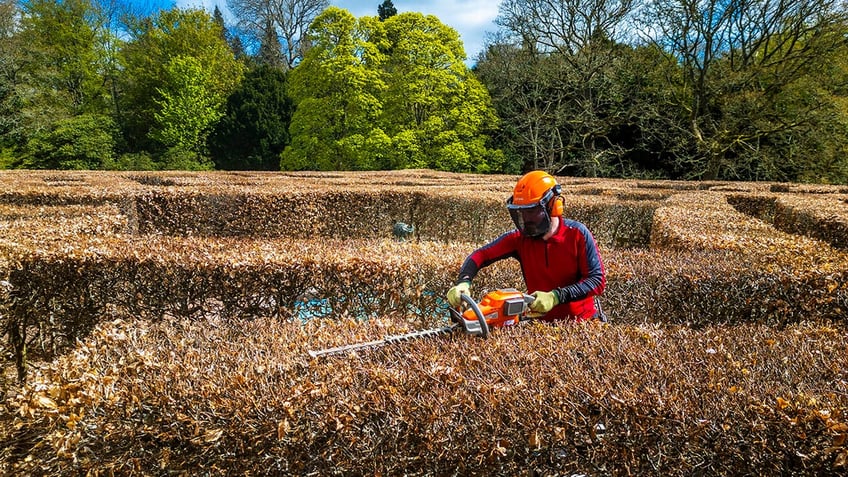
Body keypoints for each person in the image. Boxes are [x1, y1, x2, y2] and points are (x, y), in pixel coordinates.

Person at [446, 171, 606, 322]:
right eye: (521, 214)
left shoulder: (577, 234)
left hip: (582, 322)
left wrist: (556, 296)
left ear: (554, 205)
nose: (526, 219)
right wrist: (463, 282)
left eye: (532, 212)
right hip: (540, 324)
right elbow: (481, 255)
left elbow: (597, 281)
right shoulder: (519, 239)